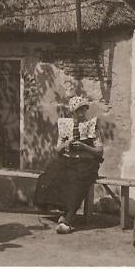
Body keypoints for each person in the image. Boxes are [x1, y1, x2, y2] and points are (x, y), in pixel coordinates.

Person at [34, 95, 104, 234]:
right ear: (72, 112)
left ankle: (68, 220)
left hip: (87, 163)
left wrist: (85, 147)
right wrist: (66, 144)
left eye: (84, 110)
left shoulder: (91, 126)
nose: (82, 114)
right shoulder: (65, 125)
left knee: (77, 182)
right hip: (68, 160)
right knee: (50, 176)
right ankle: (64, 211)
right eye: (79, 111)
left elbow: (99, 152)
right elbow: (57, 149)